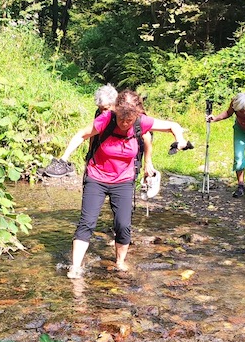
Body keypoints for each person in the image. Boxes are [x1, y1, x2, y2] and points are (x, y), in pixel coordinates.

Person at [59, 90, 186, 278]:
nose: (125, 124)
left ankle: (120, 262)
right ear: (116, 111)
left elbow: (173, 126)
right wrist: (63, 158)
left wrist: (180, 140)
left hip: (124, 180)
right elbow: (81, 135)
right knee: (87, 222)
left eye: (129, 120)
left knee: (123, 225)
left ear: (136, 115)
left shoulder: (141, 122)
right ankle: (76, 267)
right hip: (97, 177)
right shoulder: (106, 119)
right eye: (121, 120)